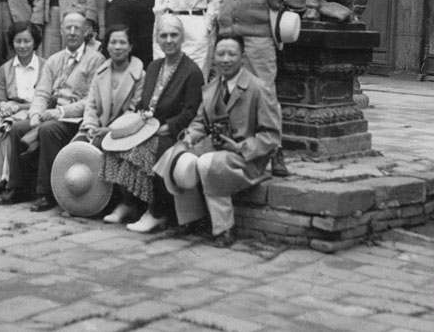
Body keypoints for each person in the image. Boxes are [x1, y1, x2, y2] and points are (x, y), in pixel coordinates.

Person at [218, 0, 308, 178]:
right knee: (233, 93)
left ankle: (275, 150)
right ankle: (240, 149)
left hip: (259, 33)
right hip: (230, 33)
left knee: (265, 93)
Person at [160, 33, 281, 247]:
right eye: (221, 54)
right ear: (214, 57)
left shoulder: (258, 89)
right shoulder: (213, 87)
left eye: (232, 54)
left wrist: (242, 147)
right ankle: (191, 219)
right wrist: (191, 135)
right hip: (217, 150)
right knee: (179, 158)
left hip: (247, 159)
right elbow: (200, 121)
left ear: (242, 57)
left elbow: (271, 135)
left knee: (208, 163)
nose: (226, 59)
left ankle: (225, 228)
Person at [102, 15, 203, 233]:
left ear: (182, 38)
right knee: (114, 146)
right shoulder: (155, 66)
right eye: (163, 35)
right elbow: (145, 102)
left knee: (146, 151)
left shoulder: (192, 72)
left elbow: (191, 111)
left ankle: (156, 212)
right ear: (157, 39)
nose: (169, 40)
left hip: (173, 132)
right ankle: (129, 203)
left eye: (174, 35)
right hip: (148, 127)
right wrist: (140, 120)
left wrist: (169, 127)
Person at [0, 9, 103, 211]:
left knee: (47, 130)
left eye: (77, 28)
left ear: (86, 32)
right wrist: (35, 114)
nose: (72, 32)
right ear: (61, 30)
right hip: (48, 115)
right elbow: (42, 93)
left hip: (75, 119)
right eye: (68, 28)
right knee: (18, 128)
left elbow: (92, 99)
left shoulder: (95, 60)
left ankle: (47, 192)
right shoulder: (54, 59)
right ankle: (17, 187)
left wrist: (61, 112)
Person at [75, 25, 145, 224]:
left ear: (130, 46)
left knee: (103, 146)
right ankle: (82, 201)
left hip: (124, 132)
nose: (117, 47)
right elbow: (90, 104)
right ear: (107, 46)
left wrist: (109, 130)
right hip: (97, 128)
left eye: (123, 42)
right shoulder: (101, 72)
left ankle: (119, 203)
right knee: (78, 148)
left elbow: (134, 111)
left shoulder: (140, 75)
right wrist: (90, 125)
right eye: (113, 42)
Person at [0, 21, 43, 201]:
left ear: (35, 42)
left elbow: (46, 101)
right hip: (9, 113)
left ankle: (11, 184)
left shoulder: (45, 66)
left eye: (27, 41)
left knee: (11, 128)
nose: (22, 46)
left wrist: (19, 107)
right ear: (11, 43)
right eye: (18, 41)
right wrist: (3, 107)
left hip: (34, 113)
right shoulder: (5, 69)